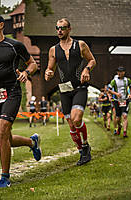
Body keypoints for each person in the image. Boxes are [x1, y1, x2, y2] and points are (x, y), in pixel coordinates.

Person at [0, 13, 41, 188]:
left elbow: (32, 64)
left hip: (12, 92)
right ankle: (32, 142)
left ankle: (5, 178)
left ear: (1, 25)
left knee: (2, 130)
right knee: (4, 137)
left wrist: (26, 72)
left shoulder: (14, 46)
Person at [45, 18, 96, 166]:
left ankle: (85, 144)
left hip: (79, 87)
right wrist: (48, 73)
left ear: (69, 29)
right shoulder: (53, 50)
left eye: (63, 28)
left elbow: (92, 60)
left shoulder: (80, 45)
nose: (59, 30)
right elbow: (50, 68)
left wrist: (87, 69)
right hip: (64, 90)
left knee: (76, 118)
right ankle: (82, 151)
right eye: (57, 28)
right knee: (71, 125)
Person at [108, 66, 131, 138]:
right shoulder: (114, 81)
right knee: (118, 118)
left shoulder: (127, 80)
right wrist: (116, 94)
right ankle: (119, 126)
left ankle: (125, 132)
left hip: (125, 100)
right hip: (117, 101)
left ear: (124, 72)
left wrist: (130, 94)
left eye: (121, 72)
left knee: (125, 116)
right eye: (118, 72)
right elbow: (109, 90)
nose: (119, 73)